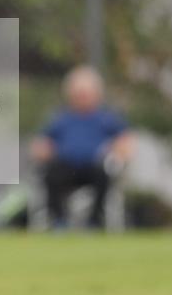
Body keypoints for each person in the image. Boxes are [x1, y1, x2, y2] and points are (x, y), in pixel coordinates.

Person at [31, 66, 133, 230]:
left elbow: (125, 140)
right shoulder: (61, 118)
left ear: (96, 94)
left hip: (94, 167)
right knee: (51, 173)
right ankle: (59, 221)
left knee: (104, 173)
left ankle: (95, 221)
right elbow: (41, 142)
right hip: (66, 167)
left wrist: (116, 151)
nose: (82, 97)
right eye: (78, 93)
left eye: (85, 93)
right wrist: (44, 150)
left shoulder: (106, 118)